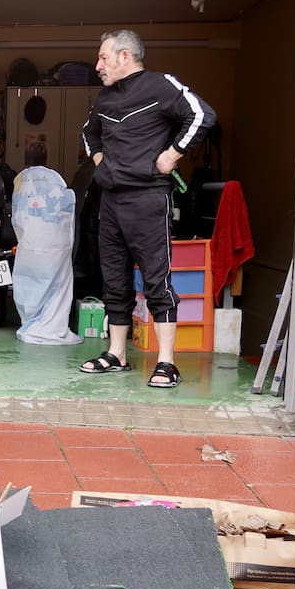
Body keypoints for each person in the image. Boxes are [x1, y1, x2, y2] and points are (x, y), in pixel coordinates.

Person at [78, 29, 216, 388]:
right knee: (114, 277)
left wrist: (171, 156)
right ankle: (117, 353)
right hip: (111, 200)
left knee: (157, 279)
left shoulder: (160, 86)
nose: (98, 66)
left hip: (149, 198)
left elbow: (202, 115)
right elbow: (88, 133)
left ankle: (167, 362)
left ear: (125, 57)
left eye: (103, 58)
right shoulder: (105, 98)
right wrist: (100, 162)